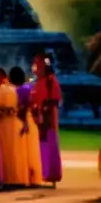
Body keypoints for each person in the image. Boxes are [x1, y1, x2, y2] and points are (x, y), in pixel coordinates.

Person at [0, 67, 25, 187]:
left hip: (5, 123)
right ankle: (10, 177)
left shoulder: (4, 90)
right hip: (4, 123)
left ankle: (10, 178)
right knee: (7, 151)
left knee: (8, 150)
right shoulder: (1, 90)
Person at [33, 54, 63, 186]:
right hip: (39, 116)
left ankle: (52, 174)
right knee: (42, 144)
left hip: (48, 116)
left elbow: (55, 99)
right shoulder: (39, 82)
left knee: (49, 142)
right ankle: (44, 173)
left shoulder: (50, 81)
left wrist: (44, 111)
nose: (35, 68)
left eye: (38, 65)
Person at [10, 66, 43, 186]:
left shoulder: (15, 91)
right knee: (33, 150)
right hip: (31, 120)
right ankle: (34, 177)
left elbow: (21, 108)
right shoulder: (29, 88)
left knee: (23, 151)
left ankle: (23, 176)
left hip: (22, 120)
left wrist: (23, 122)